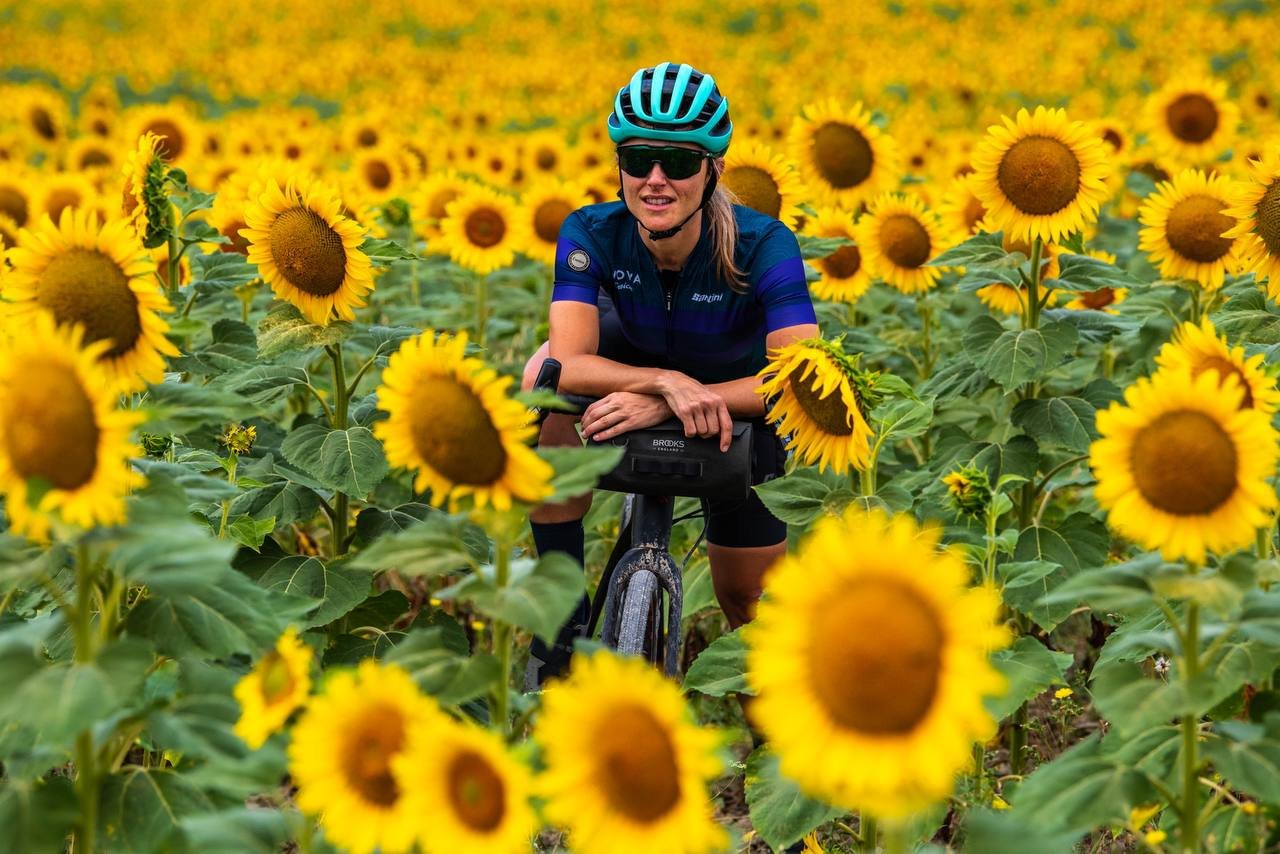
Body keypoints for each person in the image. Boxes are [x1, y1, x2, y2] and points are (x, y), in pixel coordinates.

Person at [523, 61, 819, 685]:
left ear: (713, 170)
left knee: (751, 608)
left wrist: (676, 399)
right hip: (635, 372)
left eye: (679, 163)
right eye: (638, 160)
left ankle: (768, 762)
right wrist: (660, 381)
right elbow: (568, 362)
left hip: (738, 407)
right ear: (620, 165)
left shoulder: (763, 244)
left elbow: (799, 378)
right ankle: (562, 618)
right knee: (538, 377)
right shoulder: (591, 231)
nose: (656, 180)